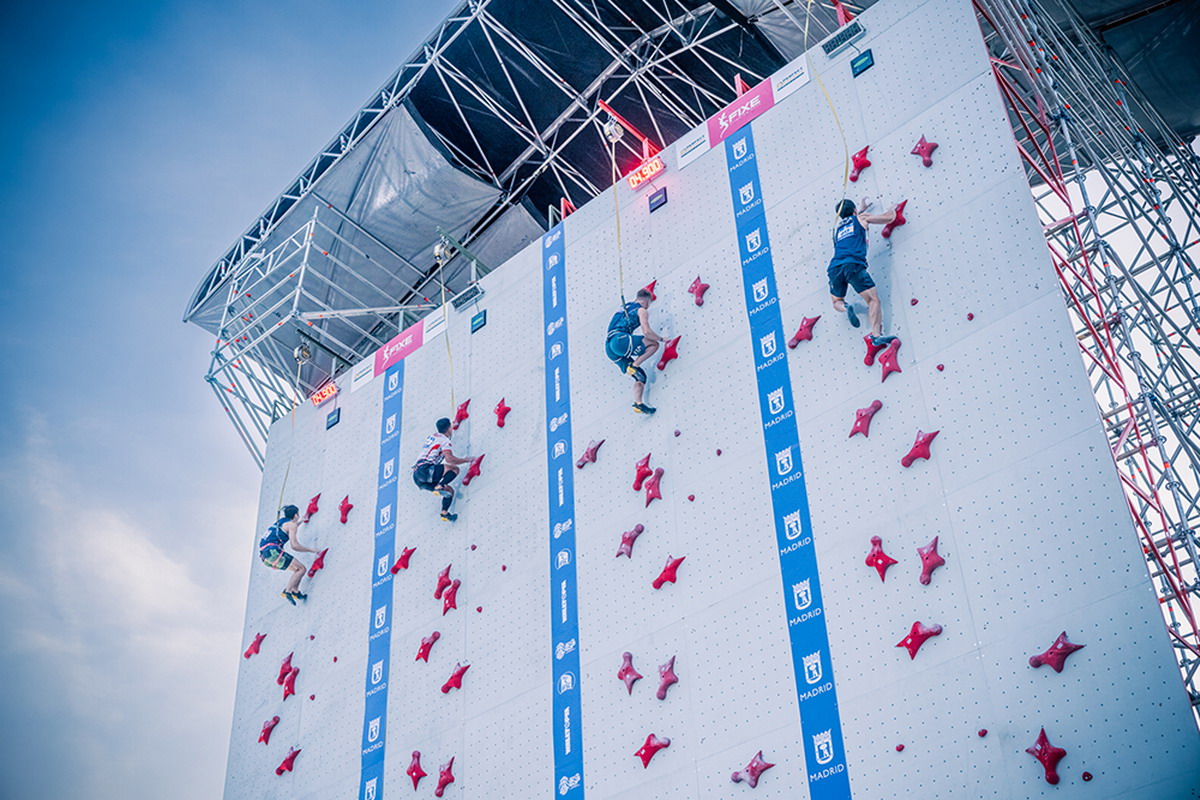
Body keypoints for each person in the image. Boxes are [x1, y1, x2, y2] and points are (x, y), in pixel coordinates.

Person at [827, 198, 899, 347]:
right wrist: (892, 208)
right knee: (873, 300)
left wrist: (860, 209)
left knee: (837, 301)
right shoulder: (861, 218)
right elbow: (888, 218)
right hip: (853, 264)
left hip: (834, 267)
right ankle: (876, 335)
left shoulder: (837, 230)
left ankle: (846, 307)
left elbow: (852, 222)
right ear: (854, 211)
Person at [605, 288, 661, 414]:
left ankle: (638, 404)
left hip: (609, 347)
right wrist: (661, 338)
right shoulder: (641, 310)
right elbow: (646, 331)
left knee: (640, 377)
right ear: (647, 302)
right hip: (619, 340)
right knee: (654, 344)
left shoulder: (625, 306)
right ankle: (635, 365)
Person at [412, 417, 472, 522]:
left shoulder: (433, 436)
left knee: (449, 491)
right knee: (454, 469)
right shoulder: (445, 441)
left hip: (417, 476)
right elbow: (450, 459)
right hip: (425, 469)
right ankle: (439, 486)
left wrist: (451, 425)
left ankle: (444, 513)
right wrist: (467, 460)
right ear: (449, 428)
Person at [258, 504, 319, 605]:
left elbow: (289, 528)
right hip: (273, 551)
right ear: (295, 515)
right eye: (298, 515)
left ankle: (295, 591)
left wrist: (301, 521)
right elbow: (294, 546)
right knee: (302, 569)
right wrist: (312, 550)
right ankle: (288, 591)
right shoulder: (291, 524)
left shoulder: (281, 522)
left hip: (266, 557)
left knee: (297, 570)